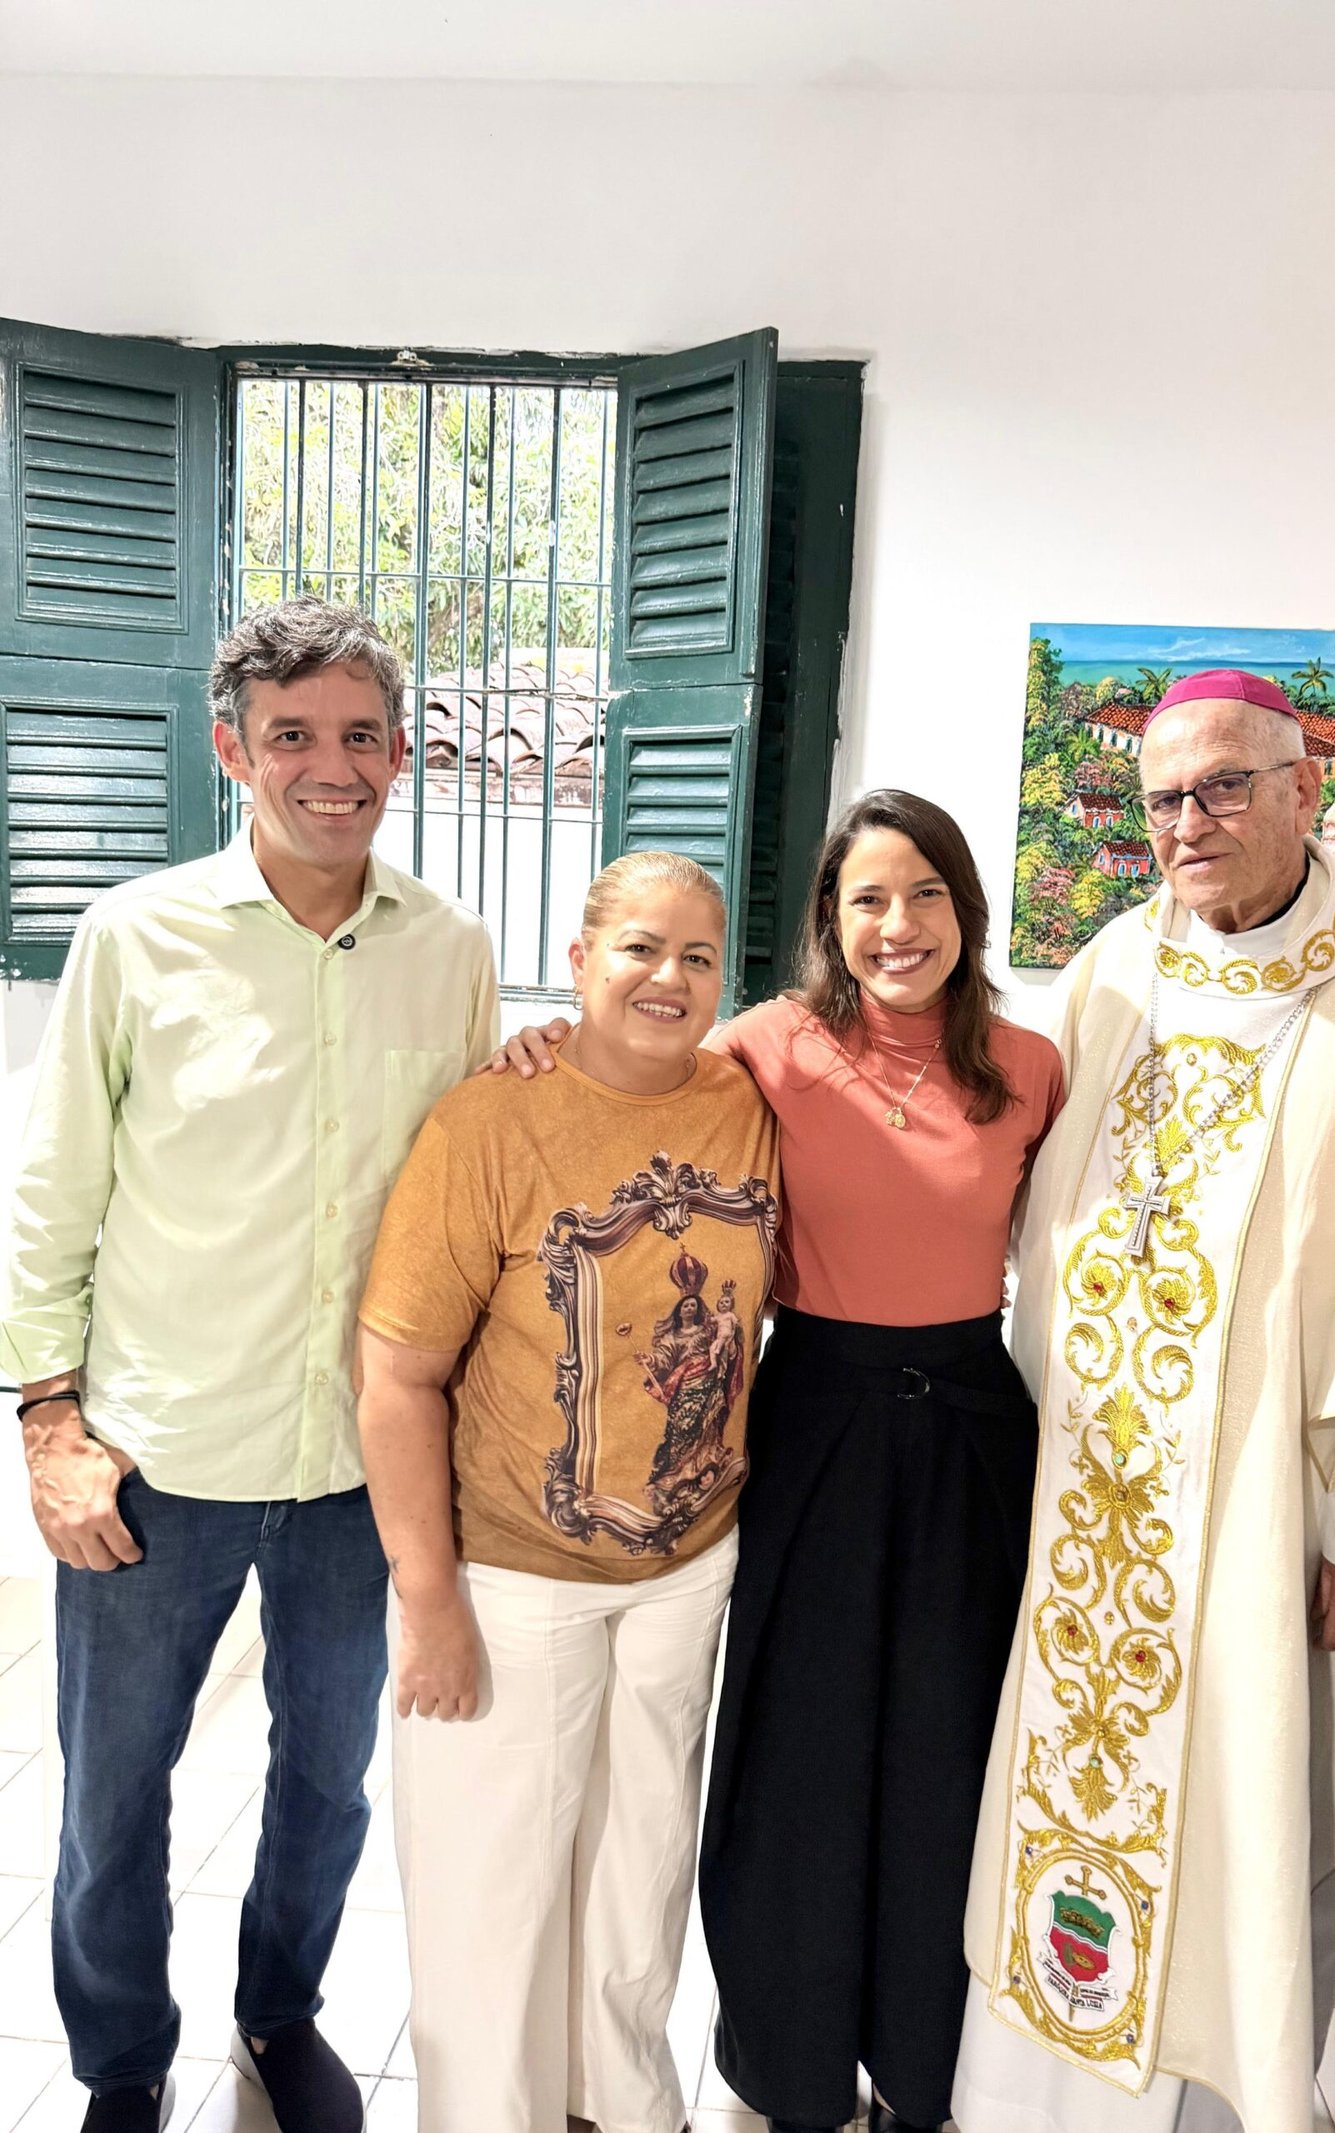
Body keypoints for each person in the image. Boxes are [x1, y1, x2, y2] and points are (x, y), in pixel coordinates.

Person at [0, 597, 497, 2133]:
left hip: (360, 1464)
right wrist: (48, 1423)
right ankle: (121, 2062)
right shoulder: (134, 936)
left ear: (401, 755)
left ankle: (281, 2013)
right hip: (160, 1453)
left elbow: (474, 1181)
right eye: (292, 736)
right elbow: (51, 1188)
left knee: (329, 1780)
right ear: (234, 750)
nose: (329, 767)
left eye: (360, 736)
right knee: (112, 1797)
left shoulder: (451, 953)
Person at [498, 790, 1064, 2133]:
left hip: (973, 1435)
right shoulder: (766, 1046)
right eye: (867, 898)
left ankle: (928, 2070)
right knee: (796, 1753)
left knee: (948, 1756)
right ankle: (791, 2072)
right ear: (830, 919)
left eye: (924, 893)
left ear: (965, 908)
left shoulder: (1034, 1066)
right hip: (810, 1416)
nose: (897, 924)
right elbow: (635, 1073)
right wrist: (544, 1042)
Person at [955, 669, 1335, 2133]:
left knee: (1255, 1807)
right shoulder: (1118, 963)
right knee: (1069, 1781)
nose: (1190, 822)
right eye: (1165, 798)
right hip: (1096, 1500)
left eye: (1226, 787)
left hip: (1268, 1511)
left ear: (1305, 790)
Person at [355, 850, 780, 2133]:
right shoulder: (487, 1124)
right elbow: (396, 1380)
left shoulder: (744, 1099)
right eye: (639, 947)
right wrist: (428, 1601)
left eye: (697, 955)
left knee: (636, 1891)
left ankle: (621, 2110)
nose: (668, 977)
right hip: (512, 1577)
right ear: (581, 957)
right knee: (492, 1904)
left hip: (686, 1571)